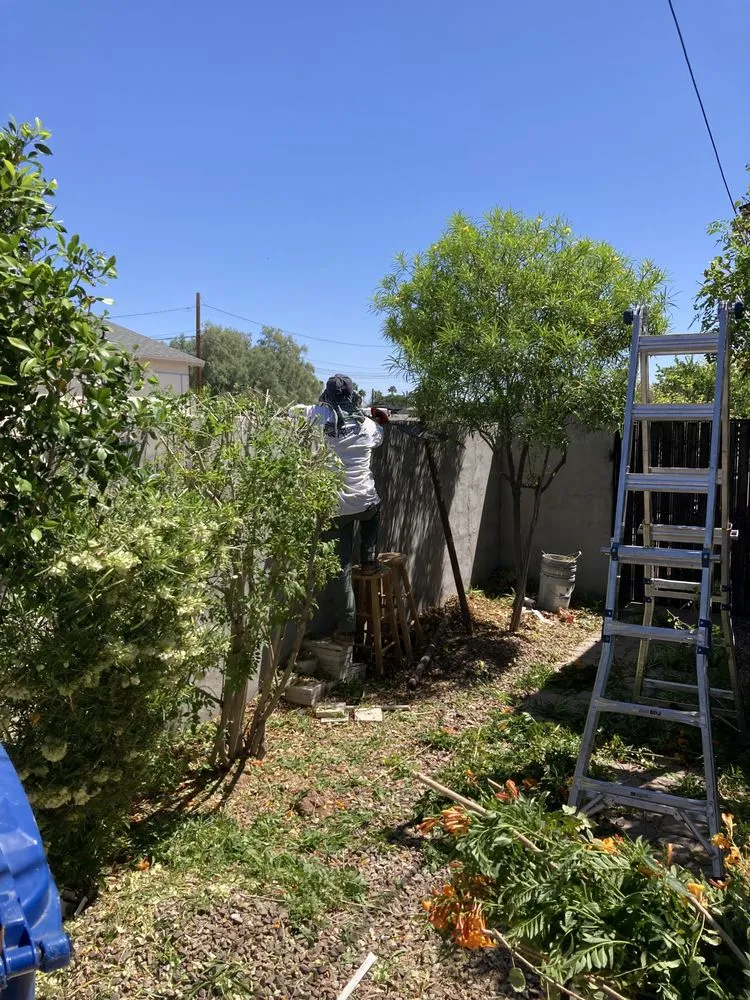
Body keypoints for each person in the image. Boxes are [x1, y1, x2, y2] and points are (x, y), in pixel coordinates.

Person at [294, 375, 389, 646]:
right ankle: (369, 559)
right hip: (365, 502)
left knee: (341, 568)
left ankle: (347, 629)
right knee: (375, 508)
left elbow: (291, 412)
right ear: (352, 395)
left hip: (336, 507)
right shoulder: (367, 424)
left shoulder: (319, 414)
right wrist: (378, 418)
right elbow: (379, 437)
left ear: (327, 394)